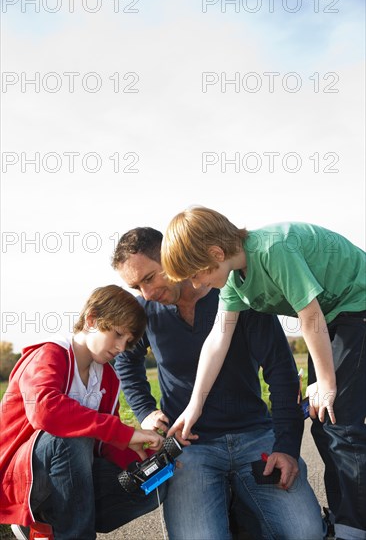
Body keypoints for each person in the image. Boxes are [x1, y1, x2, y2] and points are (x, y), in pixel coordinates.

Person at [161, 206, 366, 540]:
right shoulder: (233, 282)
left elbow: (309, 316)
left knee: (341, 423)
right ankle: (346, 522)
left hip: (357, 305)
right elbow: (218, 339)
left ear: (216, 253)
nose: (196, 284)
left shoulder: (272, 249)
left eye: (196, 274)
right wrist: (194, 405)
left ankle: (355, 529)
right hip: (332, 318)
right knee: (324, 422)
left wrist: (326, 382)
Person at [112, 227, 325, 540]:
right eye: (135, 285)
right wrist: (144, 410)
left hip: (255, 436)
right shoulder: (144, 312)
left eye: (149, 278)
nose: (146, 293)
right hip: (189, 447)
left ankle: (240, 508)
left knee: (305, 533)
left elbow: (280, 370)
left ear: (170, 258)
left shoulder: (236, 292)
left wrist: (287, 447)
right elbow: (125, 363)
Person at [0, 285, 167, 540]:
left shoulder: (108, 379)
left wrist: (146, 455)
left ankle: (49, 526)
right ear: (92, 320)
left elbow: (103, 443)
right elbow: (46, 411)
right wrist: (122, 432)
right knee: (69, 435)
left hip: (72, 479)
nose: (122, 347)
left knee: (151, 482)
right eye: (118, 334)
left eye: (129, 341)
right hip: (19, 478)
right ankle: (61, 528)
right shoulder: (48, 354)